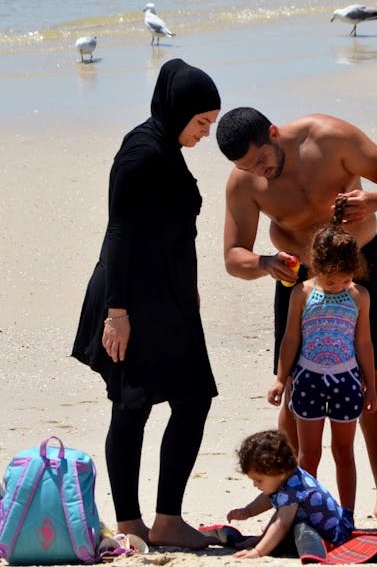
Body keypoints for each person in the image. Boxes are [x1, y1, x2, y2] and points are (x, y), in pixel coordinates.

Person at [216, 107, 377, 530]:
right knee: (293, 385)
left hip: (359, 268)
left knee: (375, 380)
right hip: (298, 279)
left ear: (273, 133)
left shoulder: (329, 137)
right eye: (248, 168)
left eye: (261, 161)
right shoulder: (244, 181)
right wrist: (266, 263)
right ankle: (295, 501)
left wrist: (376, 199)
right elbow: (234, 255)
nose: (260, 174)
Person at [71, 58, 222, 549]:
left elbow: (177, 231)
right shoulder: (140, 153)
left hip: (172, 297)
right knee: (131, 406)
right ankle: (130, 523)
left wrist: (190, 286)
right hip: (132, 299)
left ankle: (167, 520)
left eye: (210, 124)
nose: (204, 134)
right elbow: (119, 233)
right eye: (201, 123)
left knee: (193, 398)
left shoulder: (168, 149)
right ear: (177, 110)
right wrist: (117, 314)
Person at [268, 196, 377, 516]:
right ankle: (308, 514)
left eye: (345, 279)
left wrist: (370, 386)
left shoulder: (359, 296)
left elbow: (365, 344)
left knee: (344, 452)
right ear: (316, 267)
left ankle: (346, 516)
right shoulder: (301, 293)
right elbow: (290, 338)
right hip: (308, 380)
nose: (339, 286)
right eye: (332, 280)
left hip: (346, 381)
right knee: (308, 454)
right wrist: (279, 380)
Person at [227, 430, 353, 559]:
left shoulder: (293, 489)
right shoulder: (285, 476)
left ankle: (267, 541)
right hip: (314, 524)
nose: (255, 485)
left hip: (330, 535)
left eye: (259, 480)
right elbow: (267, 498)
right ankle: (265, 538)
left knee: (288, 532)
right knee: (282, 525)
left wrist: (258, 551)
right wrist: (248, 511)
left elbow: (282, 524)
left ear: (281, 473)